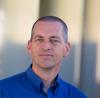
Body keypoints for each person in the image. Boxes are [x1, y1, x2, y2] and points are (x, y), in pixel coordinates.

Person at [0, 16, 87, 98]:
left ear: (67, 49)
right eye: (39, 39)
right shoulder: (3, 91)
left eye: (54, 40)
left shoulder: (77, 96)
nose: (46, 47)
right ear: (29, 47)